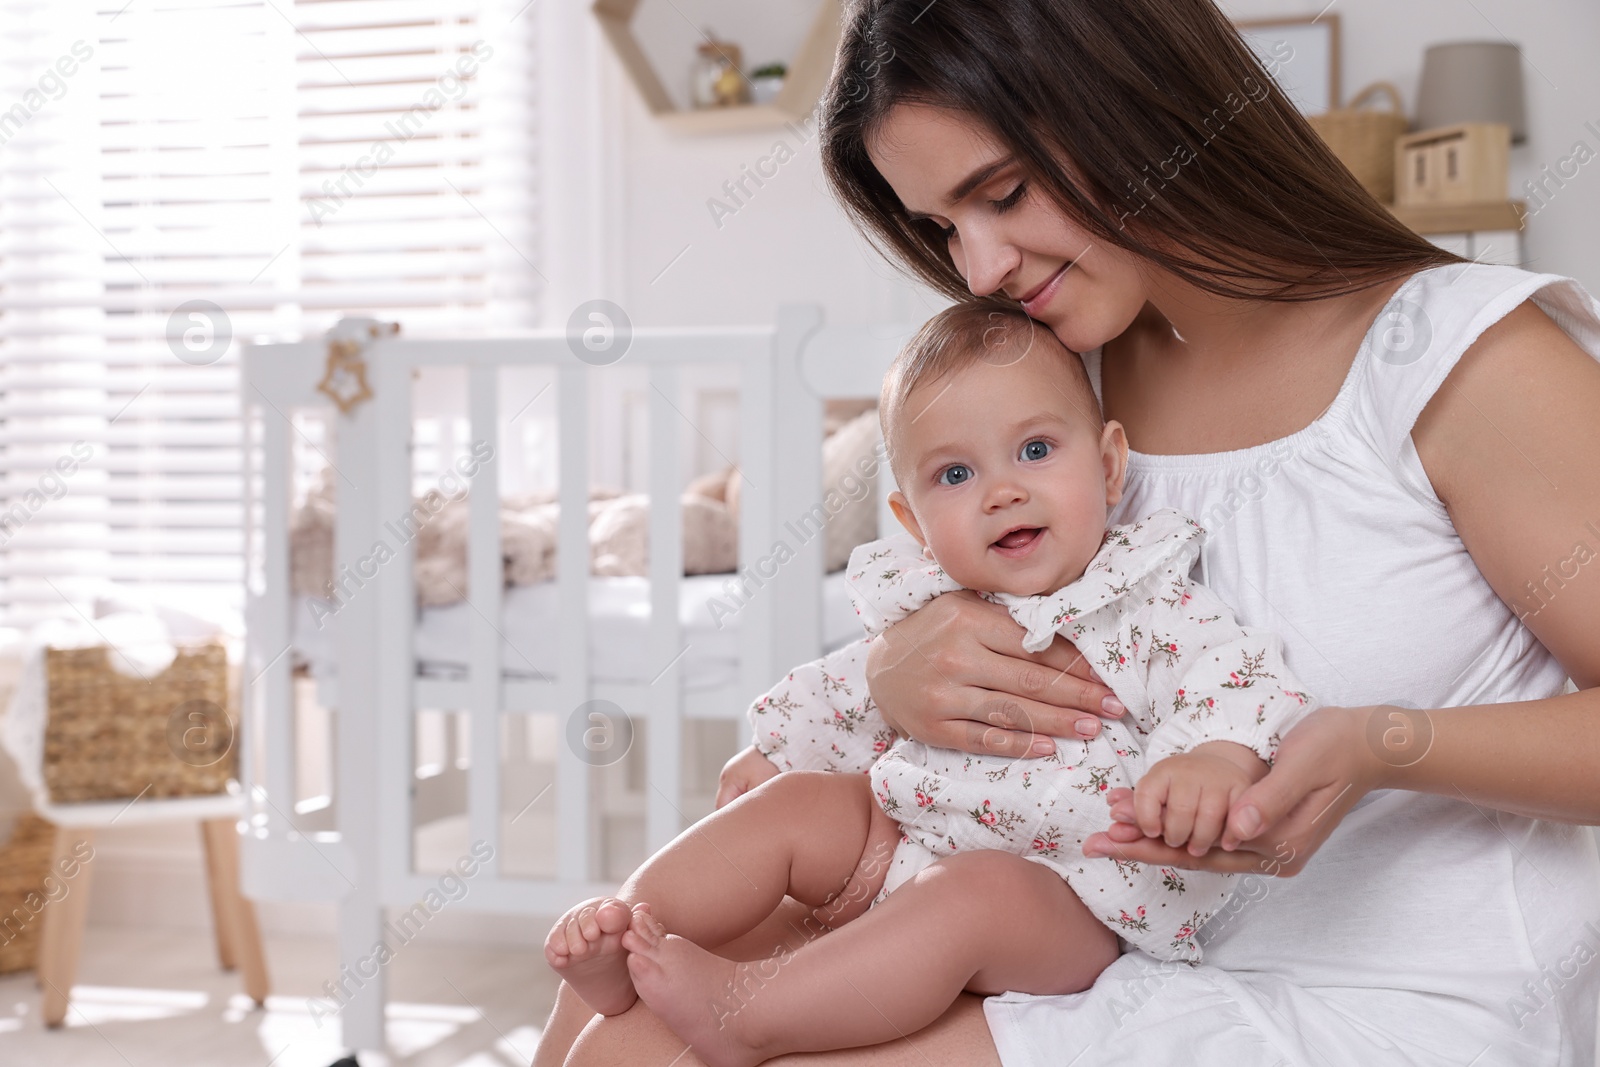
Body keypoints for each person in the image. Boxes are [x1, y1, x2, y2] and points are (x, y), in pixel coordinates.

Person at [536, 0, 1600, 1063]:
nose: (980, 266)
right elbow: (994, 597)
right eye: (943, 229)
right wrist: (904, 663)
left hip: (1381, 996)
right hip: (1094, 929)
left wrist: (1382, 745)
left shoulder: (1463, 360)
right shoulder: (1058, 381)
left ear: (1133, 103)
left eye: (999, 194)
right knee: (612, 1016)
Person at [543, 303, 1318, 1067]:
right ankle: (626, 927)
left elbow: (1233, 678)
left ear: (1110, 465)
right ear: (912, 520)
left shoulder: (1143, 598)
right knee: (795, 805)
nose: (1001, 490)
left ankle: (751, 1015)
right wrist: (776, 751)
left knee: (969, 896)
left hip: (1070, 896)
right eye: (955, 473)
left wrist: (1210, 760)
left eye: (1037, 449)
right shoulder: (930, 605)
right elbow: (847, 689)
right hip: (904, 837)